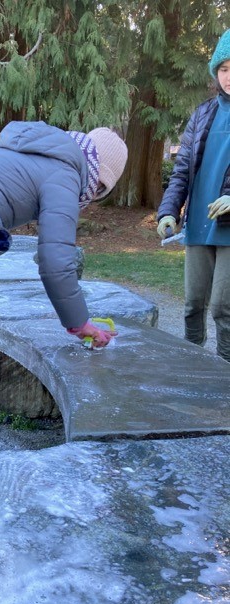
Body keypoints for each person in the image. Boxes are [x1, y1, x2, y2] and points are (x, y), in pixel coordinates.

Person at [0, 122, 128, 479]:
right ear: (101, 177)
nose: (93, 197)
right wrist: (79, 322)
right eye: (100, 191)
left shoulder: (39, 151)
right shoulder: (67, 173)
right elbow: (55, 261)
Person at [156, 30, 230, 363]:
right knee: (192, 305)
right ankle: (191, 367)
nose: (229, 76)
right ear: (215, 72)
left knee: (223, 308)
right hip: (198, 224)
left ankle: (225, 374)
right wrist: (168, 212)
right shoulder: (201, 114)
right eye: (224, 68)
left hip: (229, 230)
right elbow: (182, 170)